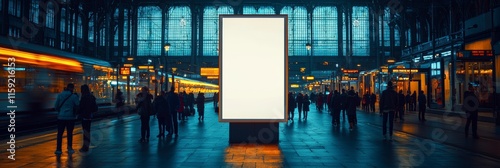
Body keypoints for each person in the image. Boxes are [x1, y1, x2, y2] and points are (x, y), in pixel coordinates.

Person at [54, 83, 80, 155]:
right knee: (69, 133)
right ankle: (69, 148)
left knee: (60, 133)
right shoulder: (74, 96)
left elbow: (56, 106)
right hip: (70, 117)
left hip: (61, 117)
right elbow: (77, 105)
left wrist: (60, 111)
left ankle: (58, 149)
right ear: (72, 88)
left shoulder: (60, 95)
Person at [78, 84, 98, 153]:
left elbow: (80, 107)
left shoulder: (84, 97)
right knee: (87, 131)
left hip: (84, 116)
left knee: (85, 131)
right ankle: (86, 146)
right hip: (89, 116)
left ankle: (85, 147)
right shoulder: (91, 96)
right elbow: (95, 107)